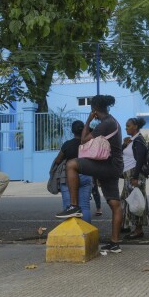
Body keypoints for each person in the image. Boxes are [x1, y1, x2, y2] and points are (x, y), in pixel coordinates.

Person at [56, 95, 124, 253]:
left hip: (107, 165)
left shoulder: (106, 123)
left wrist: (87, 120)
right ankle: (115, 244)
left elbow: (84, 140)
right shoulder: (112, 121)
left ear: (94, 109)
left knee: (72, 164)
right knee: (115, 204)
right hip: (114, 166)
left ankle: (74, 206)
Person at [50, 120, 93, 222]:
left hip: (68, 177)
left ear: (72, 131)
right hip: (86, 175)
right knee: (85, 207)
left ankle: (70, 234)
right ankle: (86, 231)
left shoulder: (67, 144)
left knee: (68, 206)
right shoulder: (87, 143)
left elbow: (58, 160)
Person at [121, 117, 149, 240]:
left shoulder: (138, 141)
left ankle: (138, 230)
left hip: (134, 174)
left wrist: (135, 177)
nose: (126, 128)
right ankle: (126, 225)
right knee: (126, 200)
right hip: (129, 174)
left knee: (136, 201)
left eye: (128, 126)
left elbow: (140, 161)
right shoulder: (132, 140)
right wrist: (124, 144)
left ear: (135, 127)